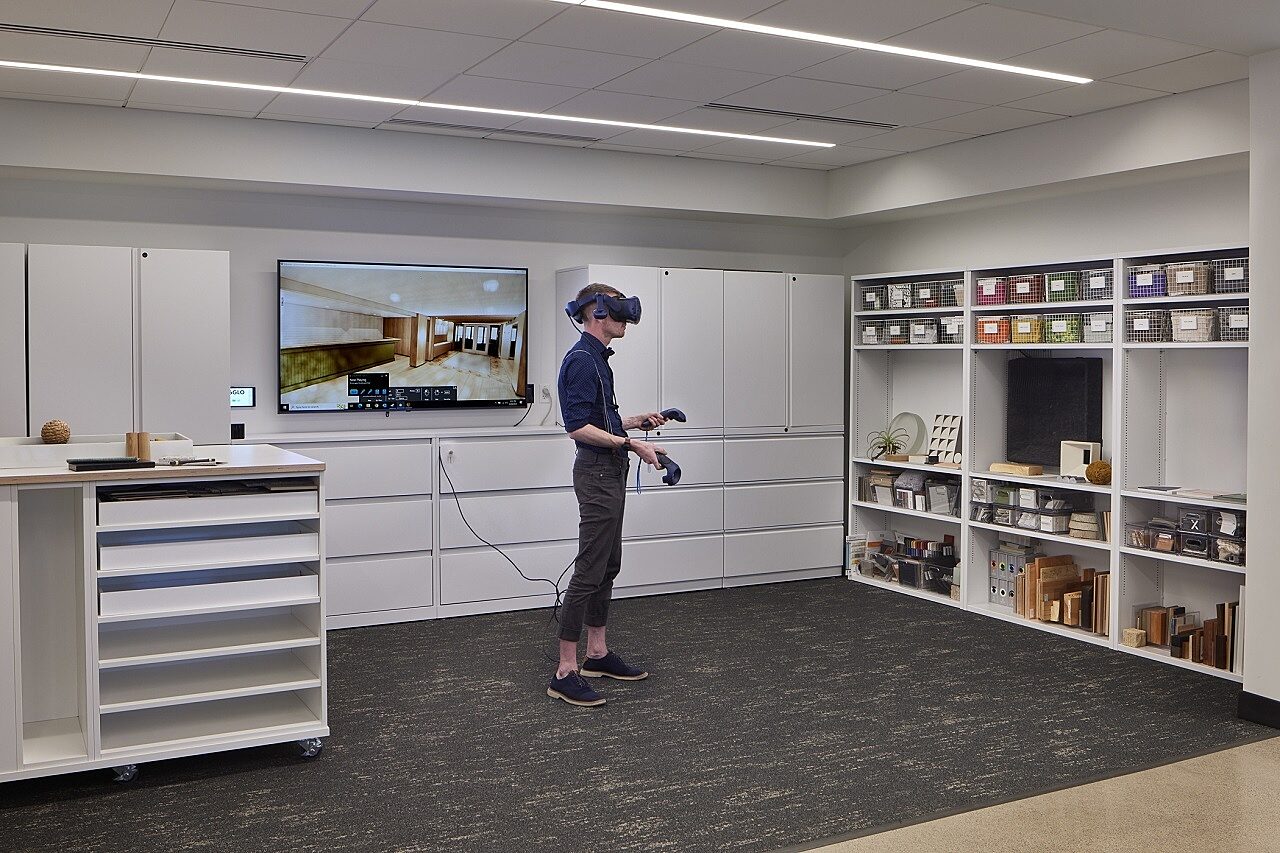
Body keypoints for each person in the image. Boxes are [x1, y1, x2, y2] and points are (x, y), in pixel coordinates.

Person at [548, 282, 668, 708]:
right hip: (597, 474)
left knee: (607, 565)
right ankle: (565, 671)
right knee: (588, 570)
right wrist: (631, 444)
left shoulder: (598, 359)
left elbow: (599, 418)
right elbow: (577, 428)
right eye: (619, 311)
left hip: (609, 471)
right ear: (598, 311)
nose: (626, 321)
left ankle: (596, 654)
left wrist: (634, 422)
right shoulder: (581, 361)